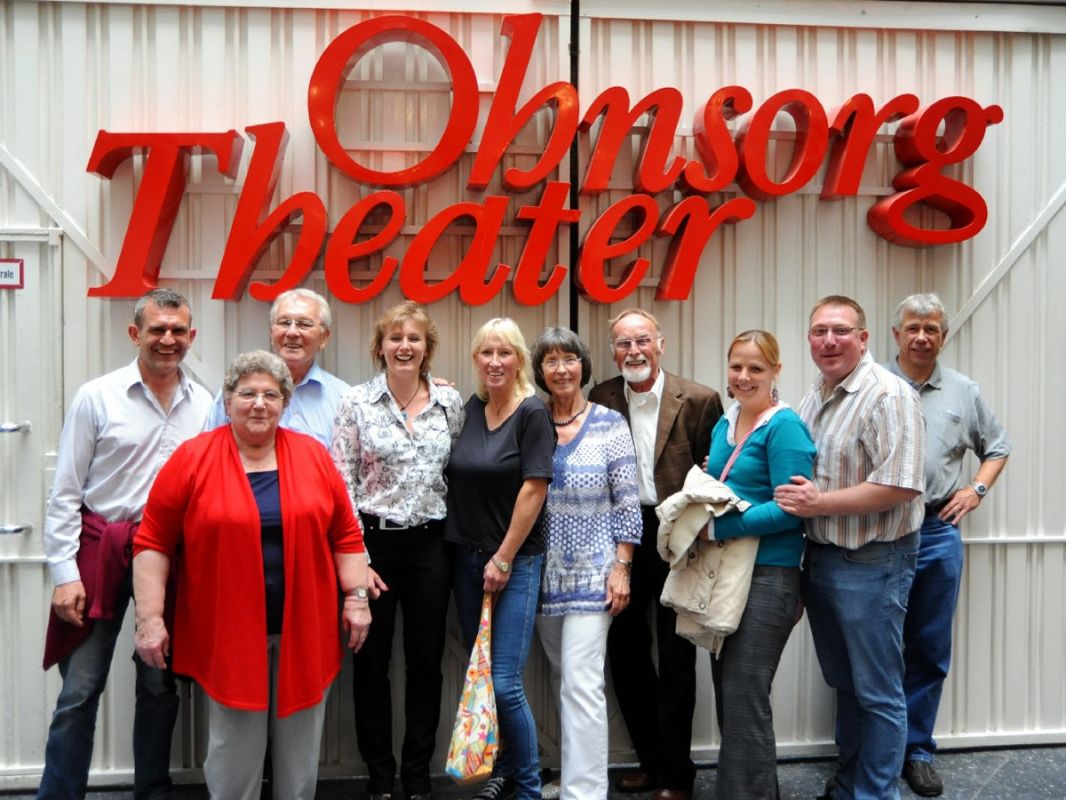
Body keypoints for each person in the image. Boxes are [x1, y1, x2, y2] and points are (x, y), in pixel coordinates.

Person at [132, 350, 370, 800]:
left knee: (300, 750)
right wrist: (149, 619)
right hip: (228, 631)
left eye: (270, 395)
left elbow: (345, 534)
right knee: (233, 748)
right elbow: (153, 542)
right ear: (227, 401)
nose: (259, 404)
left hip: (304, 627)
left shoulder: (313, 456)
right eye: (247, 394)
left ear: (284, 403)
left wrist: (357, 599)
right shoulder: (193, 458)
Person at [38, 287, 212, 800]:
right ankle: (59, 795)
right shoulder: (97, 396)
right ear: (135, 334)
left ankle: (152, 790)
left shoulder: (204, 404)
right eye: (157, 329)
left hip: (169, 557)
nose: (168, 339)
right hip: (102, 549)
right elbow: (65, 492)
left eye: (177, 330)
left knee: (159, 684)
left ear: (191, 336)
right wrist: (64, 574)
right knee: (80, 688)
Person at [774, 295, 925, 800]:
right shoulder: (815, 394)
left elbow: (901, 485)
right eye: (819, 331)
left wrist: (819, 504)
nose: (829, 341)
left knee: (878, 691)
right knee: (847, 684)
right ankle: (850, 786)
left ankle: (875, 794)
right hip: (822, 558)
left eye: (840, 331)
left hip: (873, 561)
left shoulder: (889, 395)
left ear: (863, 338)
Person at [331, 301, 465, 800]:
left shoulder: (449, 403)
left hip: (431, 545)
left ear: (427, 348)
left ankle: (417, 775)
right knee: (371, 662)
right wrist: (358, 558)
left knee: (426, 662)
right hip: (374, 546)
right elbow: (342, 482)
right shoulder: (356, 402)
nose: (404, 346)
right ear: (380, 346)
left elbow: (458, 469)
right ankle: (379, 777)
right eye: (395, 338)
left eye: (414, 338)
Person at [588, 308, 723, 800]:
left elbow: (718, 472)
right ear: (613, 351)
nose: (634, 351)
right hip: (621, 537)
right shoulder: (600, 397)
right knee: (626, 653)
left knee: (676, 656)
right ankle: (648, 761)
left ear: (660, 344)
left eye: (642, 340)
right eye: (624, 343)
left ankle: (676, 775)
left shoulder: (700, 399)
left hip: (678, 535)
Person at [886, 294, 1010, 797]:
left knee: (928, 646)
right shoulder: (872, 384)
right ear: (896, 334)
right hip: (879, 531)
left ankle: (916, 750)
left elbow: (997, 448)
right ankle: (867, 755)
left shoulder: (962, 391)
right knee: (872, 648)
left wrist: (975, 489)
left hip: (937, 532)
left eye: (932, 329)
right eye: (913, 328)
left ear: (943, 335)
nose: (922, 337)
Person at [445, 318, 556, 800]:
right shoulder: (470, 409)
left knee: (506, 683)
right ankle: (505, 769)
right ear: (476, 359)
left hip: (515, 564)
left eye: (505, 352)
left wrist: (504, 558)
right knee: (486, 677)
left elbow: (534, 489)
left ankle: (529, 788)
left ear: (519, 360)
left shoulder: (532, 413)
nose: (495, 362)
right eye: (486, 353)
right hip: (467, 562)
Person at [530, 327, 642, 800]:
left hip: (594, 574)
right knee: (564, 679)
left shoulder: (609, 423)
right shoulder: (531, 420)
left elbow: (627, 501)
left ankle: (586, 792)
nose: (561, 369)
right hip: (541, 577)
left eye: (569, 359)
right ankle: (575, 775)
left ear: (583, 366)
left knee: (581, 682)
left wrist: (622, 567)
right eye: (551, 361)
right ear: (539, 371)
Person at [703, 330, 816, 800]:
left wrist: (718, 528)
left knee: (744, 695)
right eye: (737, 367)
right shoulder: (725, 421)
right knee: (732, 695)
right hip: (729, 573)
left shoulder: (784, 427)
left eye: (756, 368)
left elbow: (792, 510)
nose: (744, 377)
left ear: (776, 371)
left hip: (769, 575)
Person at [205, 288, 349, 446]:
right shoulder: (236, 391)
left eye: (304, 324)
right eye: (284, 323)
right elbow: (211, 448)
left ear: (324, 337)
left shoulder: (343, 399)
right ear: (271, 332)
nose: (292, 332)